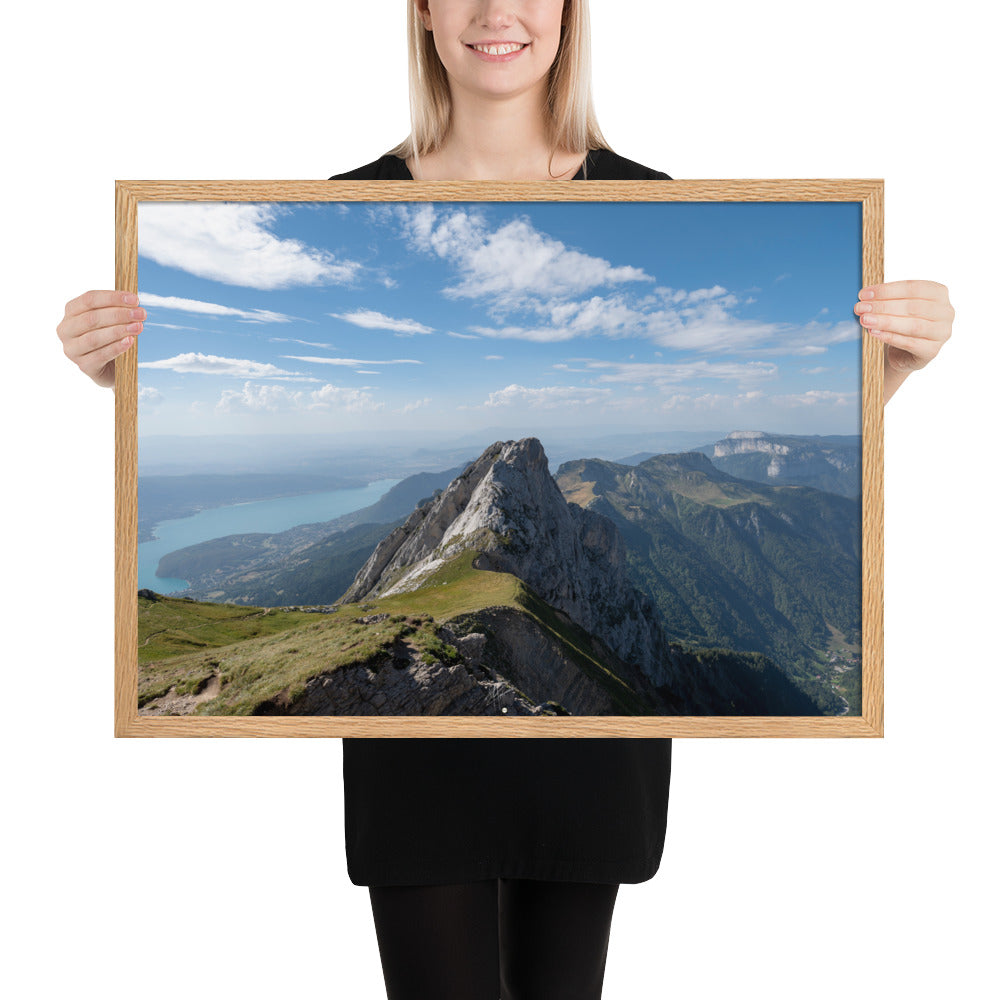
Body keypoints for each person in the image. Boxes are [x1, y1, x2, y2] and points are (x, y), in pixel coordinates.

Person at [56, 2, 954, 997]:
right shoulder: (346, 206)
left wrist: (896, 366)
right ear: (424, 13)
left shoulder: (646, 202)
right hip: (417, 766)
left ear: (570, 13)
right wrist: (123, 381)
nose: (496, 11)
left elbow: (845, 403)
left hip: (588, 770)